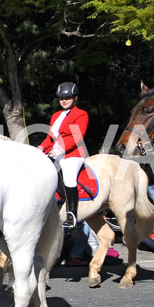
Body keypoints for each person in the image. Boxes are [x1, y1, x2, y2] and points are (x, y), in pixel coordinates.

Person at [37, 82, 89, 228]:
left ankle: (72, 215)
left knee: (69, 177)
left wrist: (59, 150)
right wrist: (40, 148)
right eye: (61, 98)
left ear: (75, 98)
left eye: (68, 97)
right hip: (54, 152)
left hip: (72, 154)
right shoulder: (55, 116)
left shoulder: (81, 114)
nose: (64, 100)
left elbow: (77, 136)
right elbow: (50, 138)